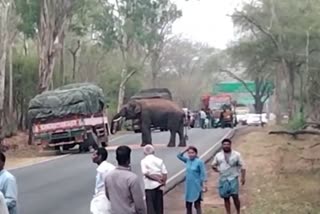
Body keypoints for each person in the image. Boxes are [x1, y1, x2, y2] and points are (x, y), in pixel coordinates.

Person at [105, 145, 146, 214]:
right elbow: (139, 204)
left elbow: (108, 196)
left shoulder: (108, 176)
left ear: (116, 158)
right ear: (129, 160)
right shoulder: (132, 178)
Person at [211, 138, 246, 214]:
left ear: (230, 145)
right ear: (222, 146)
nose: (226, 146)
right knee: (226, 198)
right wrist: (218, 170)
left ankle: (238, 211)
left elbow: (243, 167)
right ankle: (228, 212)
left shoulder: (236, 154)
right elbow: (213, 165)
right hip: (223, 179)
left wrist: (243, 178)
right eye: (224, 144)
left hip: (233, 178)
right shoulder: (218, 155)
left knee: (235, 196)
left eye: (227, 144)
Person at [177, 146, 207, 214]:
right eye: (189, 153)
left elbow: (203, 174)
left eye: (192, 153)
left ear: (196, 153)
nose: (190, 154)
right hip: (188, 186)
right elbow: (178, 156)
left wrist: (204, 185)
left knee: (197, 204)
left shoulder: (199, 162)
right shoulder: (187, 160)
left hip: (196, 186)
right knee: (188, 205)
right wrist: (185, 149)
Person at [141, 145, 167, 214]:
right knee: (159, 207)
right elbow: (164, 173)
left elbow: (146, 173)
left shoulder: (143, 161)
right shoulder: (159, 160)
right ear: (154, 152)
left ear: (144, 153)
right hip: (159, 186)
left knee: (151, 208)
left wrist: (156, 179)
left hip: (149, 187)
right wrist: (162, 182)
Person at [90, 148, 115, 214]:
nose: (92, 157)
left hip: (104, 201)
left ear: (100, 156)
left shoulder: (104, 170)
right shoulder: (104, 168)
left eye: (94, 155)